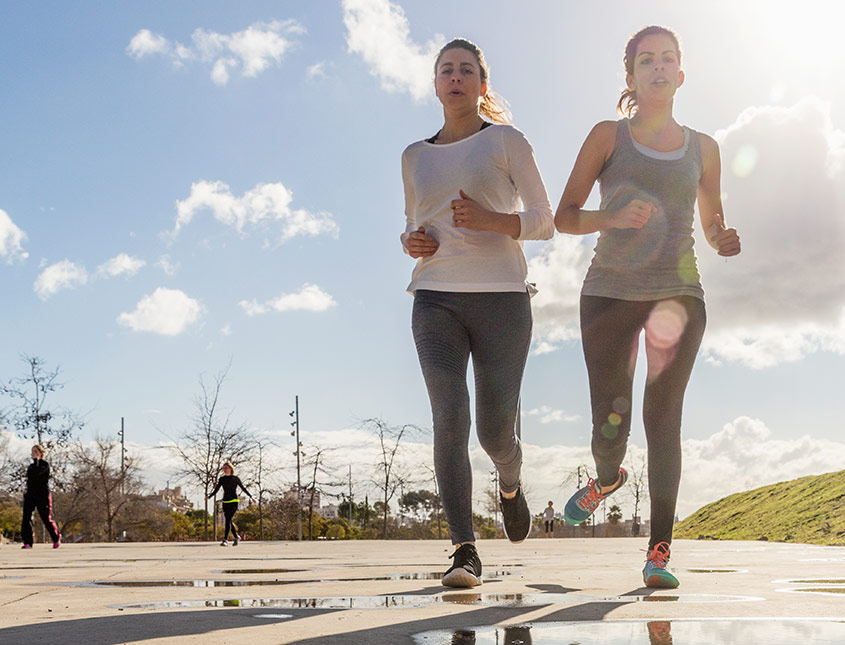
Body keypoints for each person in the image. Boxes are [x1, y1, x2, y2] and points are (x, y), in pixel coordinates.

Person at [555, 25, 740, 588]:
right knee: (609, 425)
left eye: (667, 60)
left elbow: (710, 220)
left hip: (678, 293)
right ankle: (608, 477)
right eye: (646, 61)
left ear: (680, 74)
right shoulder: (607, 136)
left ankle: (659, 553)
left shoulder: (704, 147)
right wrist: (610, 218)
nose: (657, 68)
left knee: (664, 419)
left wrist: (721, 237)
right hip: (609, 292)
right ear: (631, 76)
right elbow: (565, 216)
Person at [402, 38, 554, 587]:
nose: (456, 77)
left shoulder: (507, 141)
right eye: (447, 69)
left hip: (503, 301)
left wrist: (492, 220)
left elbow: (543, 219)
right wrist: (411, 241)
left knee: (493, 433)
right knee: (449, 416)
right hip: (435, 299)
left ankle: (509, 483)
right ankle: (464, 550)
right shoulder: (414, 156)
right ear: (436, 83)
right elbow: (416, 222)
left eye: (467, 70)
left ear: (482, 85)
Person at [21, 444, 61, 549]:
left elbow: (39, 473)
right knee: (26, 517)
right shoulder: (30, 467)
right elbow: (31, 476)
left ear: (41, 453)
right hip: (30, 494)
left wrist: (37, 460)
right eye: (32, 451)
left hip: (42, 495)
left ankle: (56, 538)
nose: (33, 453)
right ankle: (28, 542)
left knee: (45, 518)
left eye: (35, 451)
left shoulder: (45, 465)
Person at [207, 461, 253, 546]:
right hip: (225, 501)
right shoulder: (222, 479)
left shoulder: (235, 478)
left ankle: (225, 540)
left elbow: (243, 488)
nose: (224, 469)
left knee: (228, 520)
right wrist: (209, 496)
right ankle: (236, 536)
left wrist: (251, 496)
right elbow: (216, 489)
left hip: (234, 501)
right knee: (229, 521)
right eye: (223, 468)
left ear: (230, 468)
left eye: (226, 468)